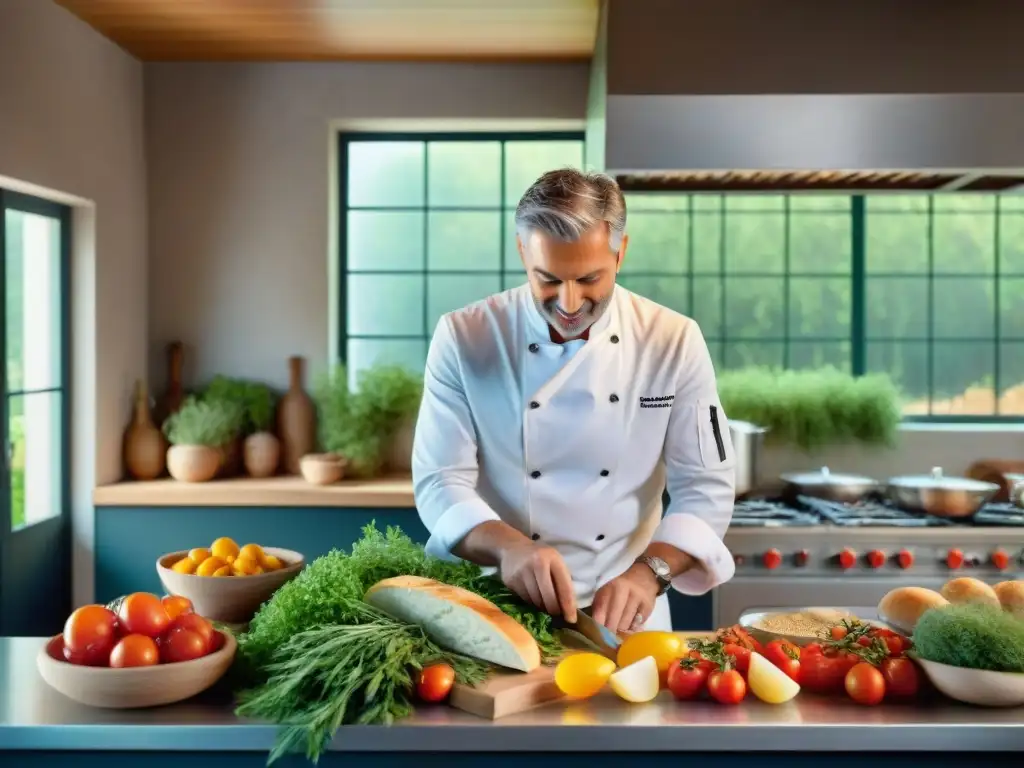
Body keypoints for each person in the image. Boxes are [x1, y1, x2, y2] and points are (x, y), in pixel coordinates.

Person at [411, 168, 736, 634]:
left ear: (620, 252)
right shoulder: (466, 337)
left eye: (589, 279)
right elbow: (440, 481)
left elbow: (706, 487)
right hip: (495, 609)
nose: (568, 302)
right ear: (522, 252)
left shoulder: (672, 340)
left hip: (627, 616)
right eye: (547, 279)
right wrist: (510, 548)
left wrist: (650, 574)